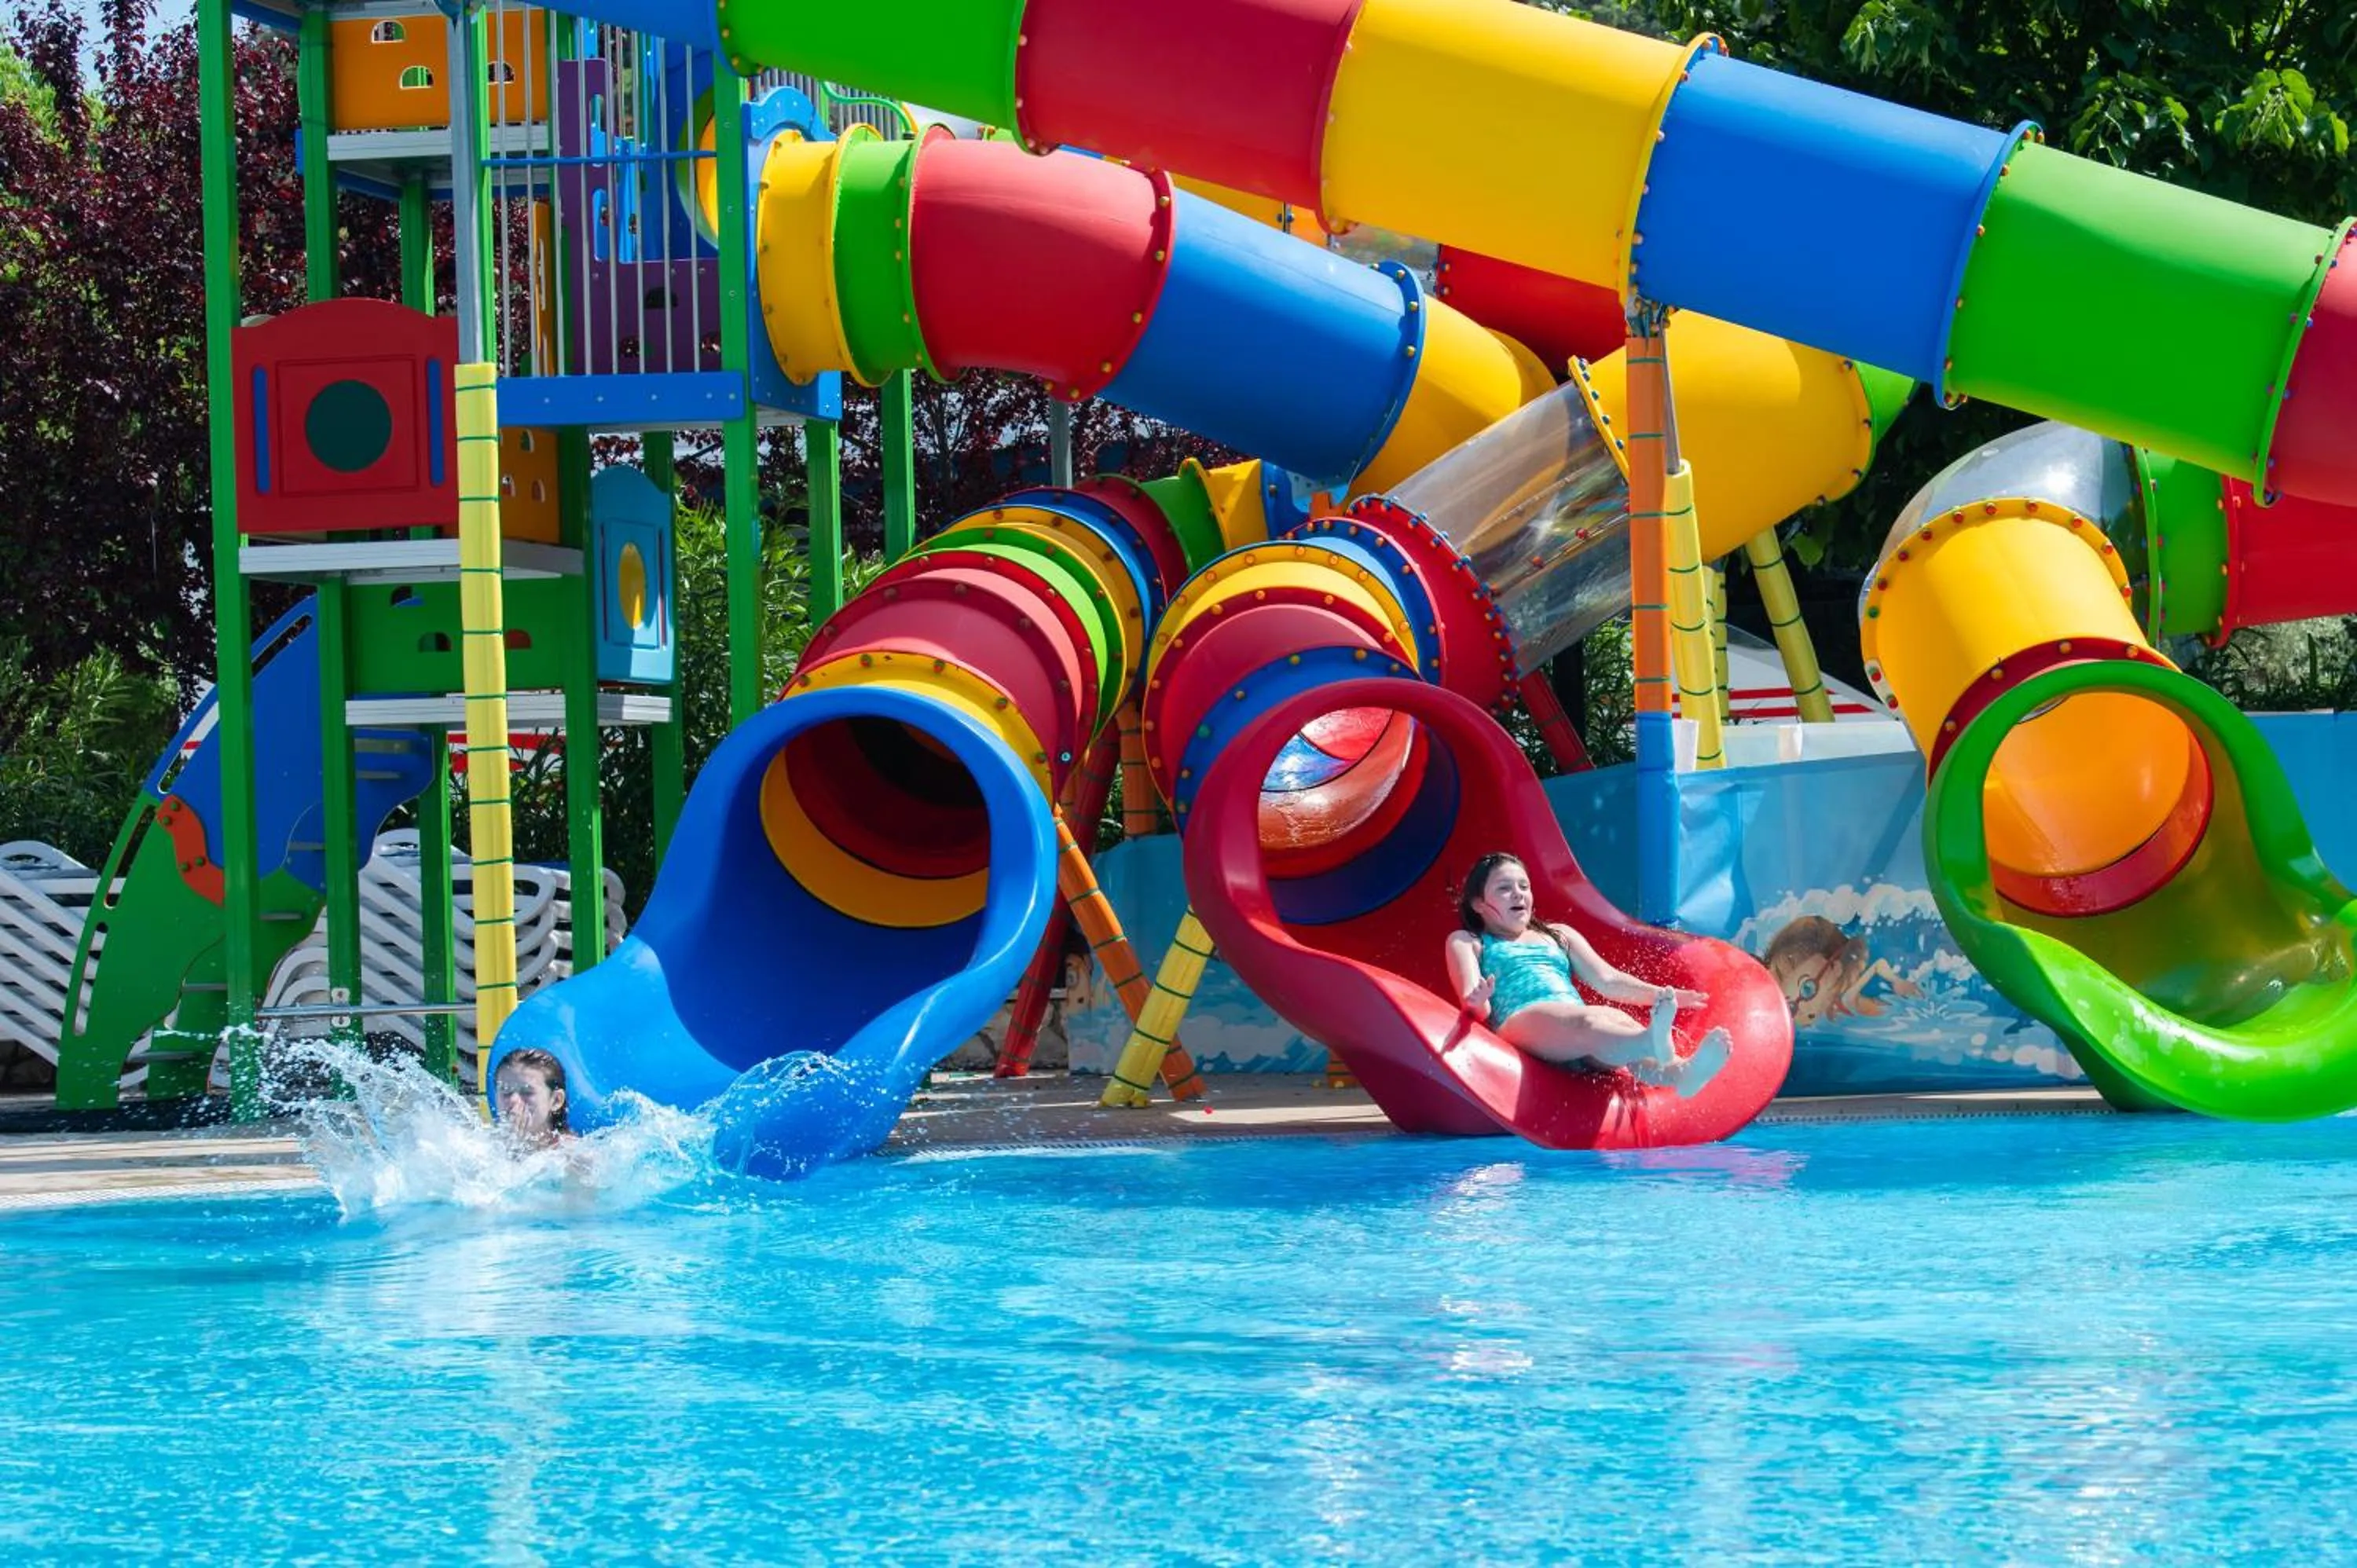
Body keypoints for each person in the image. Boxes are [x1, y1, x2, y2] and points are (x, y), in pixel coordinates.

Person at [1444, 852, 1731, 1098]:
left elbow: (1608, 980)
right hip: (1520, 1022)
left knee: (1613, 1018)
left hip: (1575, 1030)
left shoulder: (1558, 935)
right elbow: (1475, 1006)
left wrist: (1661, 994)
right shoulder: (1470, 941)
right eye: (1504, 888)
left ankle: (1681, 1075)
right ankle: (1650, 1041)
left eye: (1524, 886)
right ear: (1479, 904)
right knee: (1588, 1020)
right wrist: (1479, 999)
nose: (1519, 893)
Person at [493, 1048, 574, 1151]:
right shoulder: (484, 1149)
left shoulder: (573, 1156)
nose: (513, 1100)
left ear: (556, 1100)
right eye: (505, 1091)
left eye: (527, 1092)